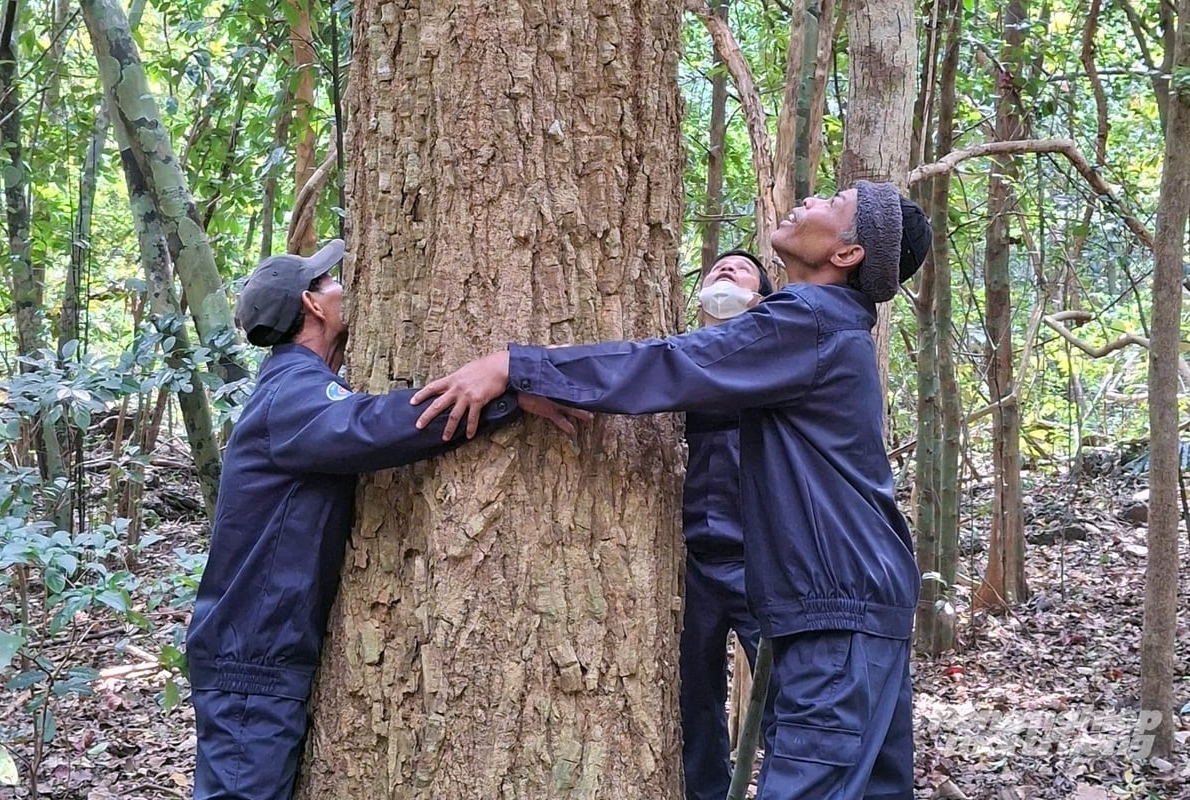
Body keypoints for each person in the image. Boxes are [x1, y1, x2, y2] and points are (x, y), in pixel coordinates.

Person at [409, 182, 932, 800]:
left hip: (837, 610)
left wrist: (517, 366)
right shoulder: (829, 331)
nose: (809, 201)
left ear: (846, 254)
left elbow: (668, 365)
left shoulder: (809, 320)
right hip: (866, 601)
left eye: (832, 203)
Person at [185, 240, 587, 800]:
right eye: (332, 282)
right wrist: (500, 394)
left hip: (260, 657)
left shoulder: (293, 388)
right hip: (251, 664)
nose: (346, 287)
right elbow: (371, 426)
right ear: (314, 305)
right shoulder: (291, 394)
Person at [682, 249, 773, 800]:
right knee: (694, 702)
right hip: (693, 563)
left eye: (738, 271)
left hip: (760, 563)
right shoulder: (677, 360)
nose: (723, 272)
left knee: (787, 696)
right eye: (716, 268)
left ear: (759, 295)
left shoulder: (775, 355)